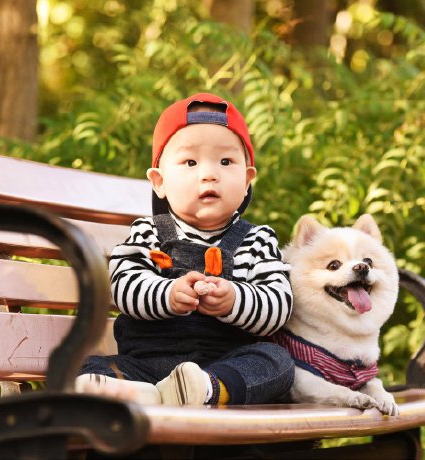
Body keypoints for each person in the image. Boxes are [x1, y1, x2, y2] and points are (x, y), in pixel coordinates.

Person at [75, 93, 294, 406]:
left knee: (277, 362)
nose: (208, 173)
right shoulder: (148, 232)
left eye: (226, 162)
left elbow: (279, 305)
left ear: (247, 181)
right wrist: (167, 293)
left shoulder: (257, 240)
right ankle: (139, 395)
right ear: (159, 182)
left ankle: (206, 390)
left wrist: (234, 300)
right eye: (190, 162)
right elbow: (121, 285)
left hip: (224, 364)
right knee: (92, 368)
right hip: (148, 366)